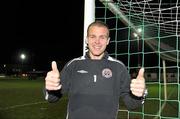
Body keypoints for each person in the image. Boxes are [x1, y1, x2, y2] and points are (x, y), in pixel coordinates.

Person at [44, 20, 147, 119]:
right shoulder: (73, 65)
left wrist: (139, 95)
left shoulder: (118, 67)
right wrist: (50, 88)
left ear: (108, 41)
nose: (97, 41)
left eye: (102, 37)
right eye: (93, 36)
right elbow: (52, 98)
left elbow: (132, 104)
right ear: (87, 39)